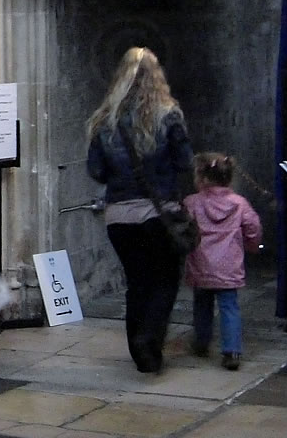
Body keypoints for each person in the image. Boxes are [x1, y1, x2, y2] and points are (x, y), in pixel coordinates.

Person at [86, 46, 193, 374]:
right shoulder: (169, 113)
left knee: (137, 282)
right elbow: (185, 162)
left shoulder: (105, 118)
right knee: (165, 280)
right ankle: (149, 341)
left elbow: (97, 171)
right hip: (158, 214)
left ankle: (139, 351)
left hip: (119, 216)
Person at [182, 153, 262, 372]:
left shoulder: (193, 202)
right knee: (229, 307)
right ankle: (232, 350)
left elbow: (183, 227)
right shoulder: (239, 203)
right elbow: (253, 226)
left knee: (202, 305)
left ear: (202, 177)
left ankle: (201, 342)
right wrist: (251, 245)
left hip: (201, 265)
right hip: (229, 265)